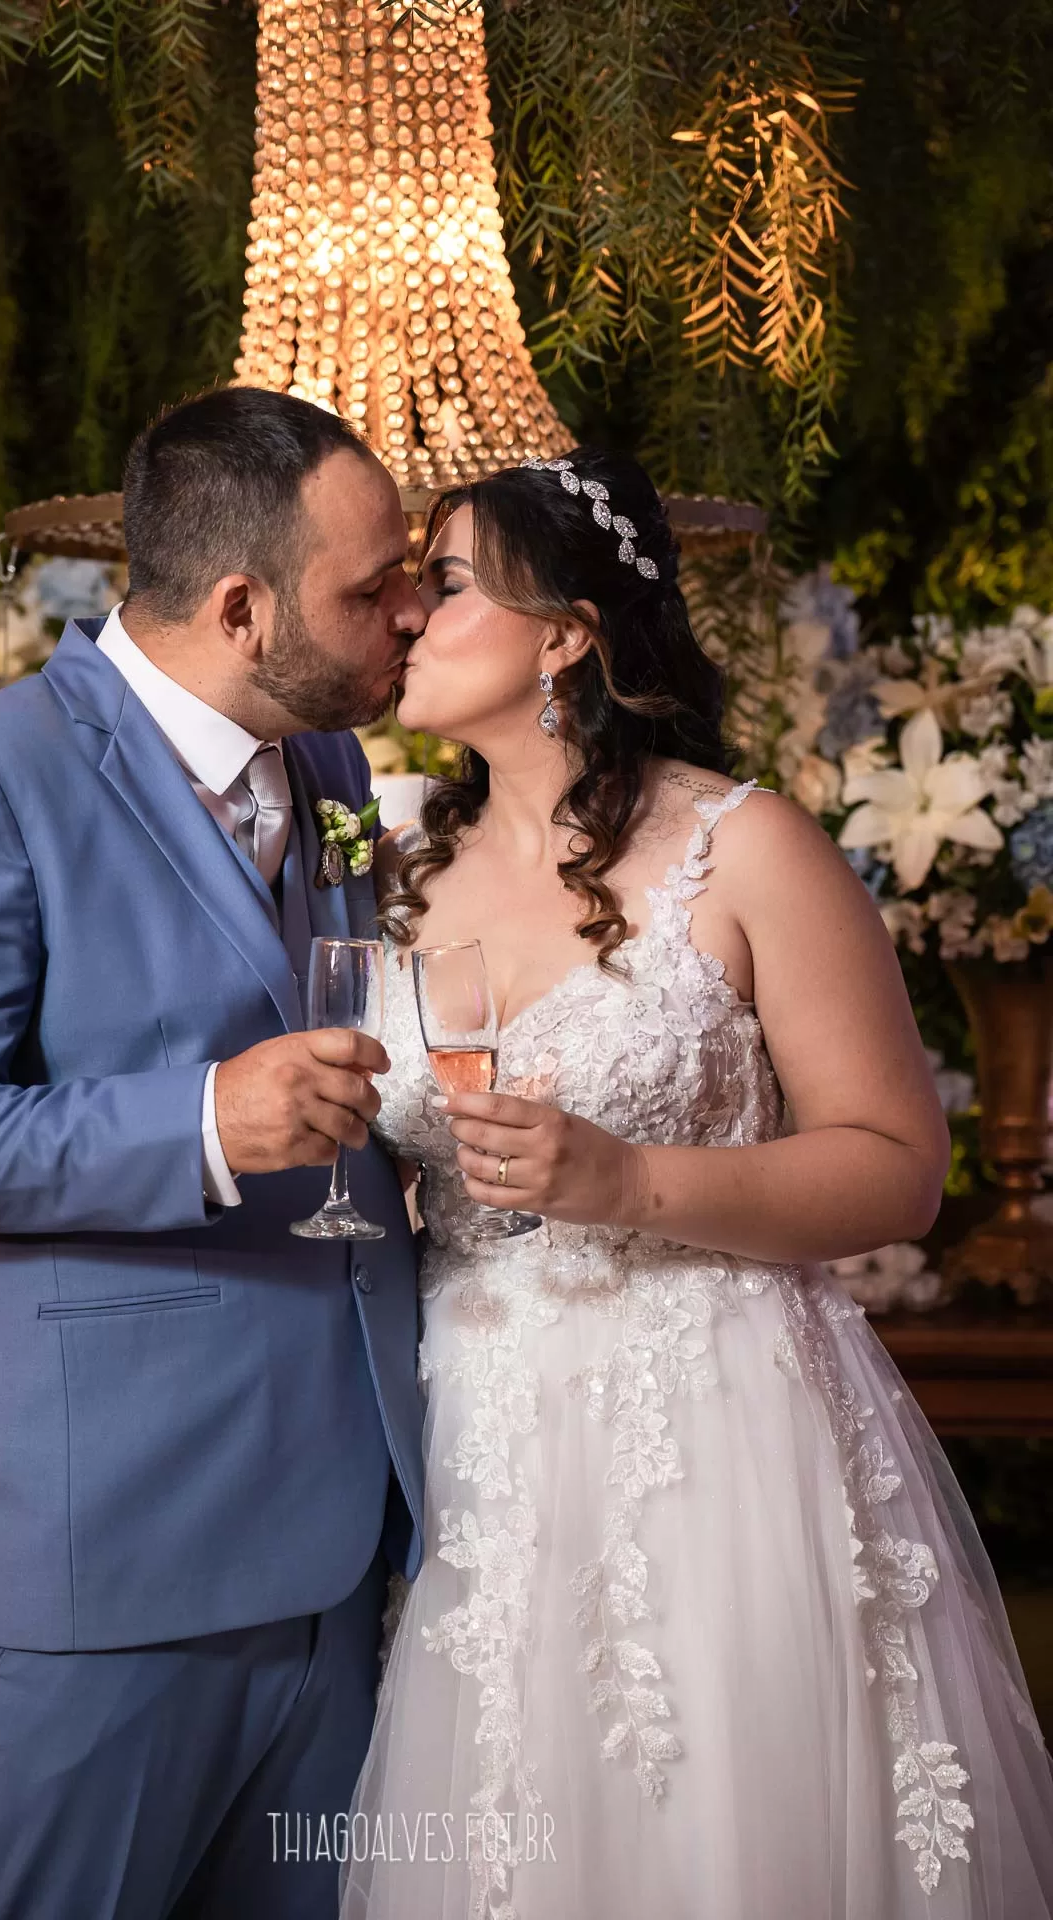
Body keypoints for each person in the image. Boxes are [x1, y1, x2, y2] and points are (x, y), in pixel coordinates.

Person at [340, 450, 1053, 1918]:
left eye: (447, 581)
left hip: (718, 1430)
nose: (405, 611)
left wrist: (628, 1178)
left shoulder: (744, 848)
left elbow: (898, 1169)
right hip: (478, 1439)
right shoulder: (392, 873)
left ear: (566, 633)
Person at [0, 387, 428, 1920]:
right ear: (241, 607)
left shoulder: (332, 767)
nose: (412, 614)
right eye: (373, 589)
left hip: (343, 1536)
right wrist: (202, 1124)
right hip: (114, 1557)